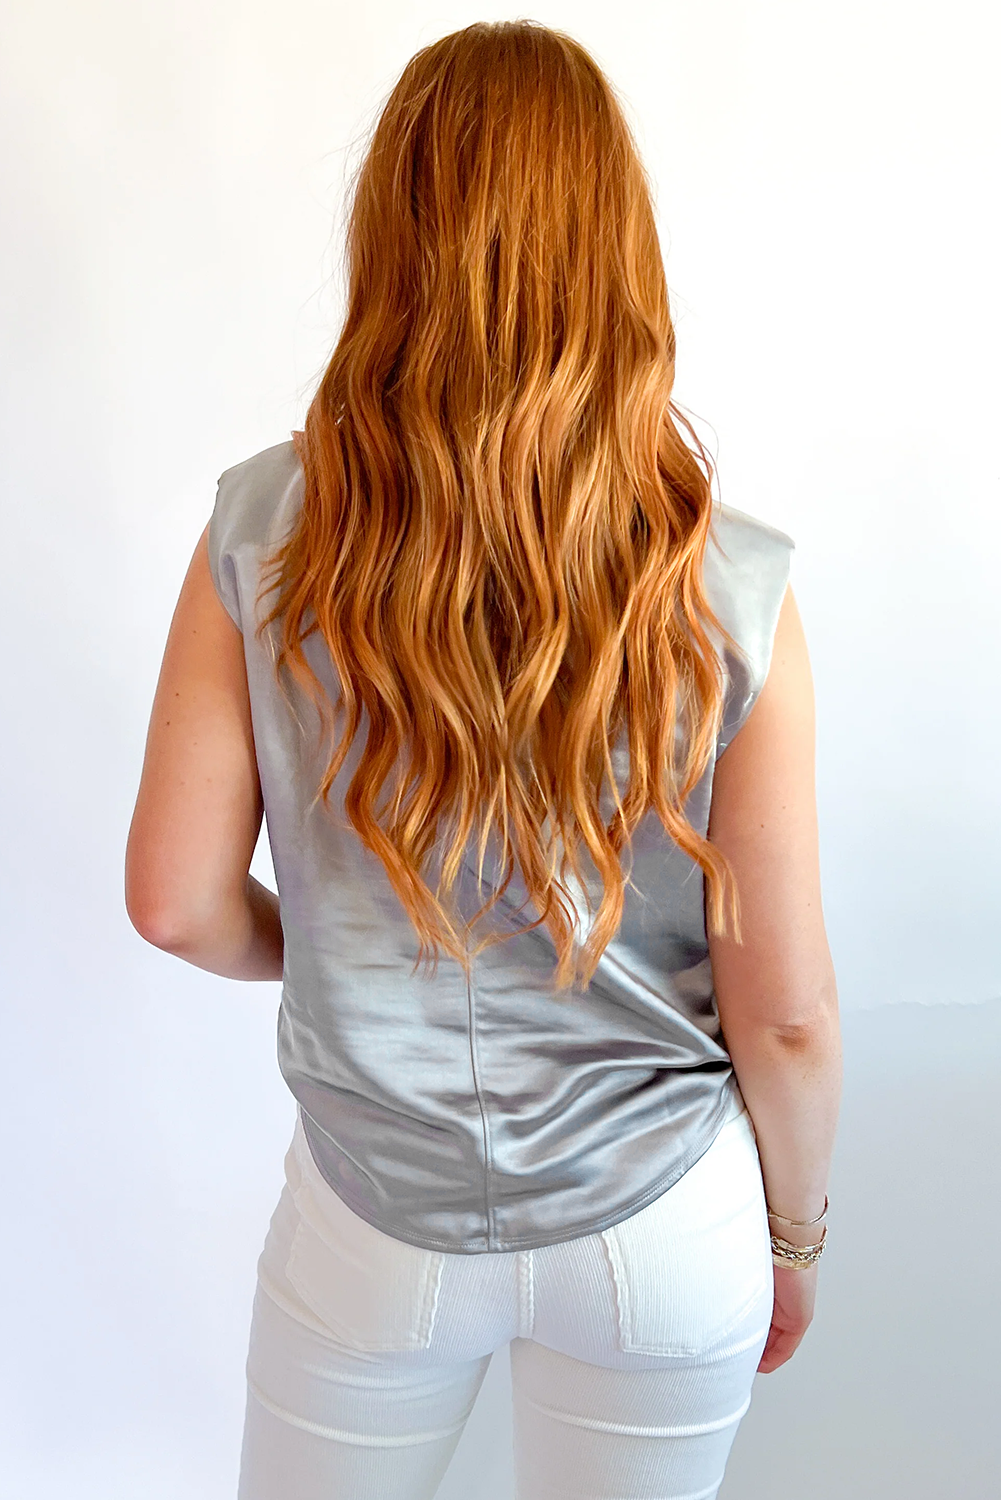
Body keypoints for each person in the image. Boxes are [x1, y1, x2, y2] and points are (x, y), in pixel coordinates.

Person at [125, 19, 841, 1500]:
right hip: (662, 1223)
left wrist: (333, 946)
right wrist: (794, 1238)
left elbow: (176, 902)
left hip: (371, 1222)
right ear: (617, 254)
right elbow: (783, 1017)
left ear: (390, 242)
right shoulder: (730, 585)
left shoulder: (258, 532)